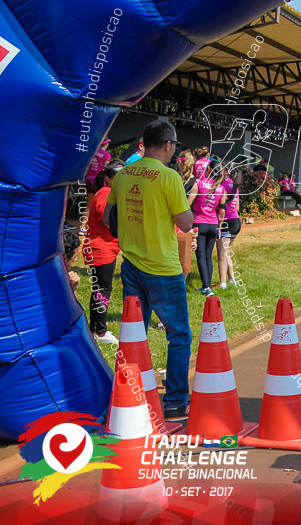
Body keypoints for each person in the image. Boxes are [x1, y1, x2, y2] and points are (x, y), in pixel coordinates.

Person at [104, 119, 194, 422]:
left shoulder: (123, 175)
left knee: (133, 335)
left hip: (130, 266)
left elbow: (109, 217)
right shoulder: (169, 178)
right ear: (168, 144)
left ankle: (130, 396)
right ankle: (176, 401)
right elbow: (185, 224)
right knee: (178, 335)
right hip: (163, 270)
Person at [83, 160, 124, 345]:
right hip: (101, 248)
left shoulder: (111, 193)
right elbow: (107, 221)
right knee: (102, 290)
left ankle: (95, 329)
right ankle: (100, 331)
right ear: (107, 178)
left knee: (100, 289)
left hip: (104, 247)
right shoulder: (105, 192)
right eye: (117, 176)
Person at [188, 159, 226, 296]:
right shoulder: (221, 188)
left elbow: (188, 203)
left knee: (201, 256)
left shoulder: (199, 184)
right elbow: (221, 211)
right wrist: (219, 228)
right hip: (214, 225)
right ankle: (207, 285)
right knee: (209, 256)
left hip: (199, 223)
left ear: (208, 170)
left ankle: (206, 287)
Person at [217, 167, 242, 290]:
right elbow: (237, 207)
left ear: (226, 171)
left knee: (222, 255)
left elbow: (219, 202)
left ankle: (223, 284)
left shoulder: (223, 184)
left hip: (226, 221)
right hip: (236, 221)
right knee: (227, 253)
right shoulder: (235, 185)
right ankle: (232, 280)